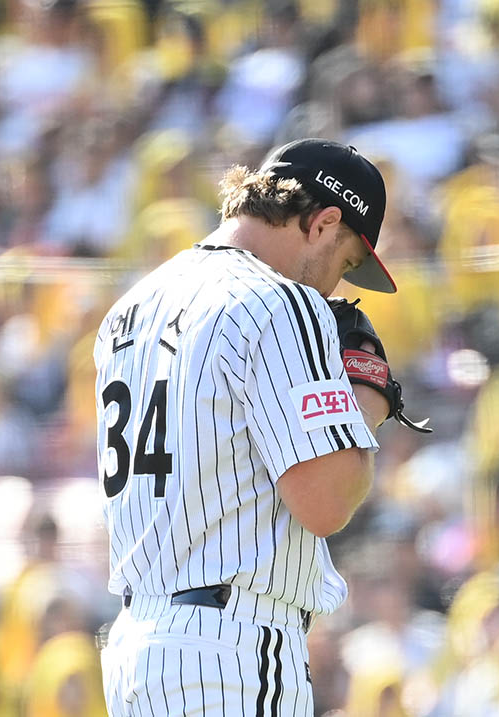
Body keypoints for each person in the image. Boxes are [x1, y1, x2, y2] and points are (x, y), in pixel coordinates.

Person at [95, 138, 423, 713]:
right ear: (323, 223)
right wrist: (367, 393)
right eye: (346, 262)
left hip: (138, 646)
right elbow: (326, 500)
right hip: (231, 647)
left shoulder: (134, 304)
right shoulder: (282, 302)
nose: (335, 288)